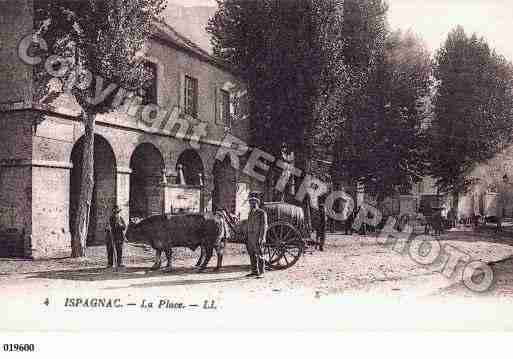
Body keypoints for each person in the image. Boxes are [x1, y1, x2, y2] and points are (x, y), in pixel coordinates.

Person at [246, 193, 268, 279]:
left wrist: (262, 238)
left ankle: (262, 272)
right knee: (252, 254)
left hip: (258, 236)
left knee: (260, 254)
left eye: (254, 203)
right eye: (251, 203)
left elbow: (264, 226)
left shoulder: (262, 213)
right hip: (250, 236)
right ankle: (254, 271)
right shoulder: (250, 213)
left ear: (257, 203)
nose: (252, 204)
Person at [107, 205, 127, 269]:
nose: (117, 214)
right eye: (115, 212)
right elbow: (106, 228)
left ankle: (119, 263)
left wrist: (120, 225)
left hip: (119, 237)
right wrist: (108, 228)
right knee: (110, 250)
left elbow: (124, 227)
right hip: (111, 237)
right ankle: (110, 264)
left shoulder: (120, 218)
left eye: (118, 212)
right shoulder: (110, 219)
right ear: (113, 212)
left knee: (119, 250)